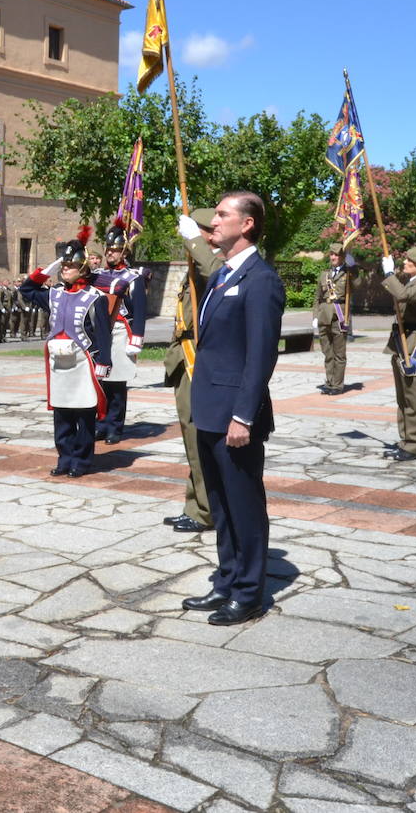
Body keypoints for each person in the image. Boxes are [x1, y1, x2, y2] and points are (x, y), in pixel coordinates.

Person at [182, 191, 284, 626]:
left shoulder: (261, 280)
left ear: (247, 224)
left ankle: (249, 592)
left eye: (222, 215)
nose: (213, 222)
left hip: (234, 416)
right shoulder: (223, 275)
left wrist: (243, 415)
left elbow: (260, 356)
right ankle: (226, 580)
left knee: (243, 505)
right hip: (209, 408)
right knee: (221, 505)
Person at [20, 227, 112, 478]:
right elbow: (26, 290)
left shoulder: (95, 297)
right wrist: (48, 269)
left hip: (83, 362)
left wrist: (104, 363)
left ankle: (81, 461)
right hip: (59, 362)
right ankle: (64, 458)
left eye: (70, 266)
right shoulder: (54, 294)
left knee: (84, 413)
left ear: (83, 268)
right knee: (62, 414)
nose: (65, 269)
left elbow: (103, 334)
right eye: (64, 266)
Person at [164, 208, 223, 534]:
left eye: (192, 232)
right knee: (191, 440)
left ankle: (206, 510)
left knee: (199, 439)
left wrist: (196, 243)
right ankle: (195, 504)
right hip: (183, 361)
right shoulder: (196, 264)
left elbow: (214, 273)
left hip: (197, 362)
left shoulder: (217, 263)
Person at [91, 218, 150, 445]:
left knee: (116, 382)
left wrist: (136, 338)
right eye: (108, 250)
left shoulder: (133, 277)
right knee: (101, 381)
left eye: (114, 250)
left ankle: (115, 426)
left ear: (124, 252)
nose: (110, 254)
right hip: (100, 332)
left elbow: (140, 311)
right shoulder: (99, 276)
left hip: (120, 331)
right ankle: (101, 423)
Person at [380, 246, 416, 461]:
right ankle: (406, 440)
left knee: (414, 398)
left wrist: (389, 274)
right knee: (403, 397)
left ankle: (415, 444)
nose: (404, 263)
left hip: (414, 344)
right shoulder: (411, 282)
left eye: (408, 261)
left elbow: (403, 296)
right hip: (401, 341)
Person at [312, 242, 356, 395]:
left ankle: (337, 385)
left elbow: (357, 284)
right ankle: (330, 382)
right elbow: (317, 297)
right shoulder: (324, 274)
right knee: (327, 352)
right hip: (324, 316)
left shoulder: (348, 274)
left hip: (339, 316)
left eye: (336, 255)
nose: (333, 257)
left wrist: (354, 269)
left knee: (339, 353)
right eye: (331, 254)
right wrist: (315, 316)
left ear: (343, 257)